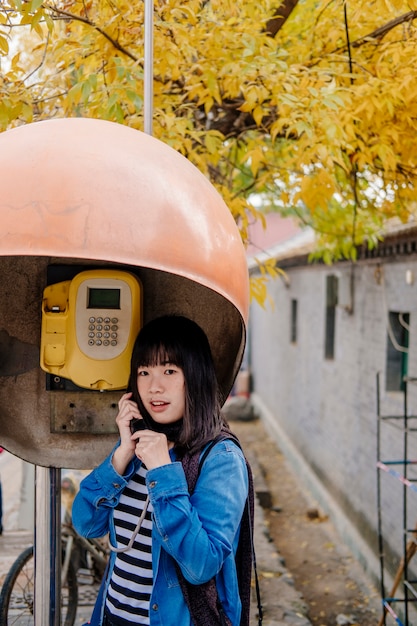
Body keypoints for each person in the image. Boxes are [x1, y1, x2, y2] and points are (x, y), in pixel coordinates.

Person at [72, 315, 252, 626]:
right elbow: (86, 525)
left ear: (194, 376)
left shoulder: (221, 459)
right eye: (144, 371)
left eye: (169, 370)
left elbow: (201, 565)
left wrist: (163, 473)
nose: (155, 386)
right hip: (111, 616)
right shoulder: (137, 446)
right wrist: (121, 456)